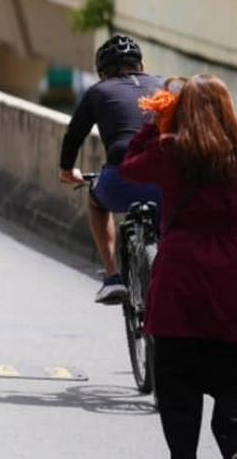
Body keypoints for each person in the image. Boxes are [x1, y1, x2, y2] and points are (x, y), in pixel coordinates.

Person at [119, 75, 237, 459]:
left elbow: (129, 167)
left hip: (178, 284)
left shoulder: (170, 152)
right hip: (233, 286)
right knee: (234, 386)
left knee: (177, 389)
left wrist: (154, 124)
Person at [59, 34, 162, 304]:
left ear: (103, 74)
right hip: (166, 180)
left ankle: (112, 275)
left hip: (121, 179)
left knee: (96, 203)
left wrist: (67, 170)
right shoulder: (163, 85)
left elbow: (74, 136)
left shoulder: (98, 91)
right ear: (140, 67)